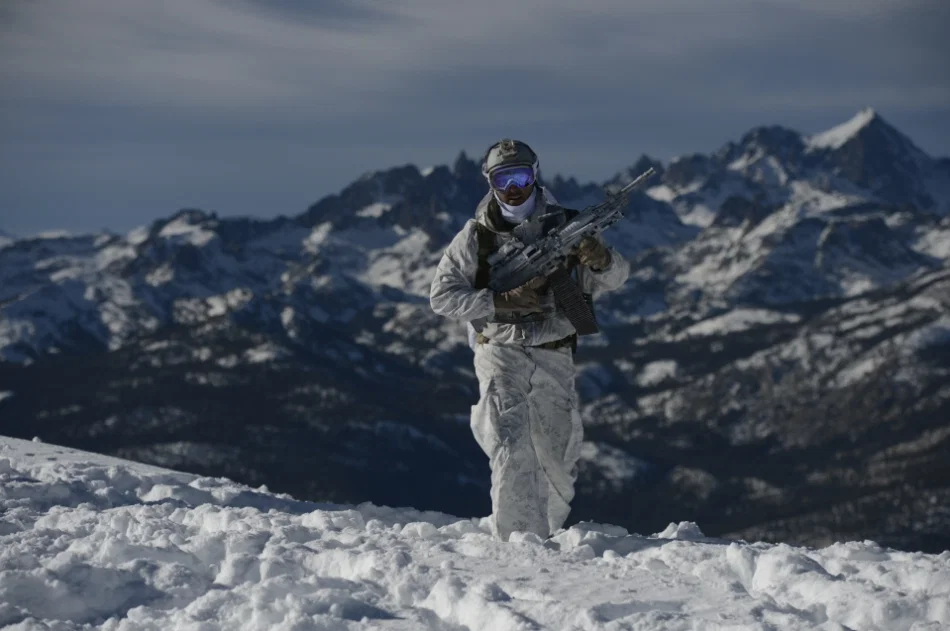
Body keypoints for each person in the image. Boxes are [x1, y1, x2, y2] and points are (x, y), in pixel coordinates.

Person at [429, 139, 630, 541]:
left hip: (554, 350)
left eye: (520, 176)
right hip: (500, 348)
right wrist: (499, 301)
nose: (513, 187)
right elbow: (441, 297)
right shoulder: (475, 239)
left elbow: (615, 279)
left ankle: (544, 530)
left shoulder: (570, 226)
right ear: (490, 183)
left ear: (535, 174)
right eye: (503, 179)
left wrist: (601, 259)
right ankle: (517, 543)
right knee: (510, 441)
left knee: (556, 455)